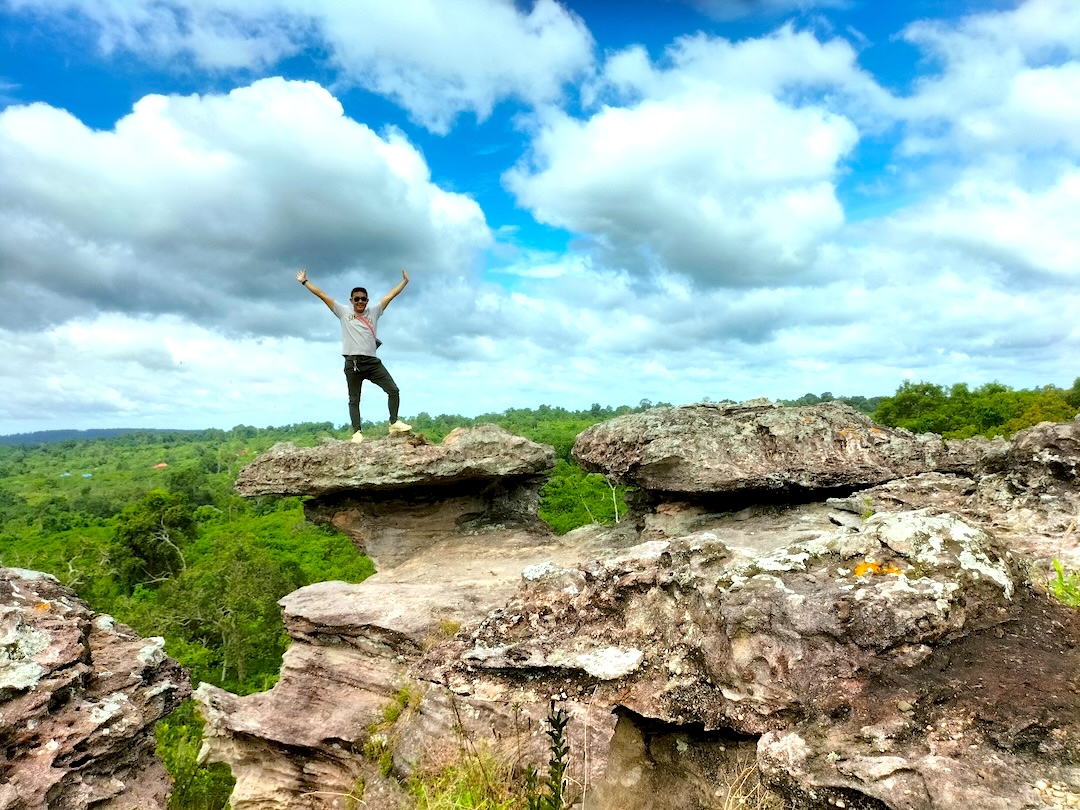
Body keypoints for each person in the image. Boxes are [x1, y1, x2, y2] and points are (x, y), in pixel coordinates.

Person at [296, 267, 411, 443]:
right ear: (351, 300)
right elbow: (322, 294)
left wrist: (404, 282)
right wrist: (305, 281)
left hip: (372, 362)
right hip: (353, 362)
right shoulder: (343, 312)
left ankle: (394, 422)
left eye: (363, 299)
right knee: (354, 399)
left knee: (393, 390)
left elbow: (390, 295)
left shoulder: (374, 311)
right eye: (356, 299)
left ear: (367, 300)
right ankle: (357, 432)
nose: (360, 302)